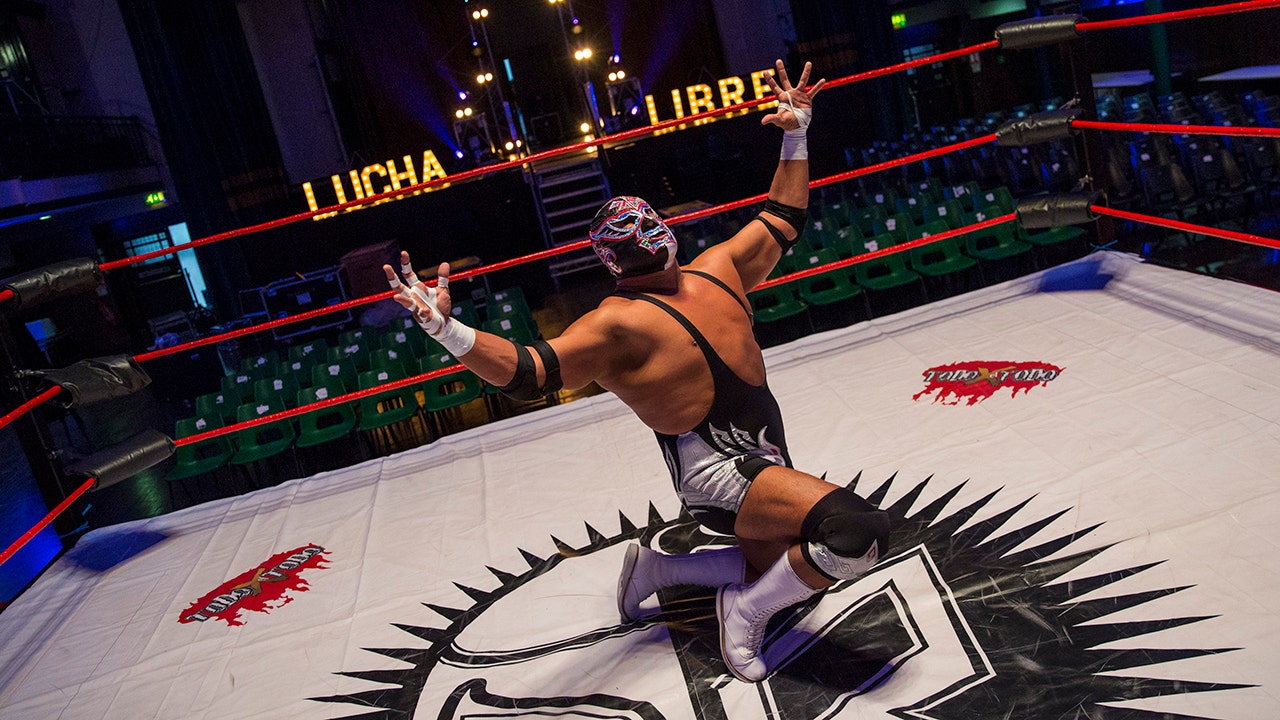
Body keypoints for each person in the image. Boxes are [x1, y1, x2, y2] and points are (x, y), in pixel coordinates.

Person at [383, 60, 889, 683]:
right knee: (855, 533)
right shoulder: (615, 325)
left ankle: (660, 568)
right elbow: (529, 373)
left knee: (789, 566)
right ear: (612, 262)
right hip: (717, 477)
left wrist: (796, 134)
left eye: (644, 226)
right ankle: (742, 612)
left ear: (662, 225)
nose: (644, 239)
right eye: (628, 238)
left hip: (767, 458)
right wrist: (447, 331)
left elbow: (783, 217)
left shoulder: (719, 269)